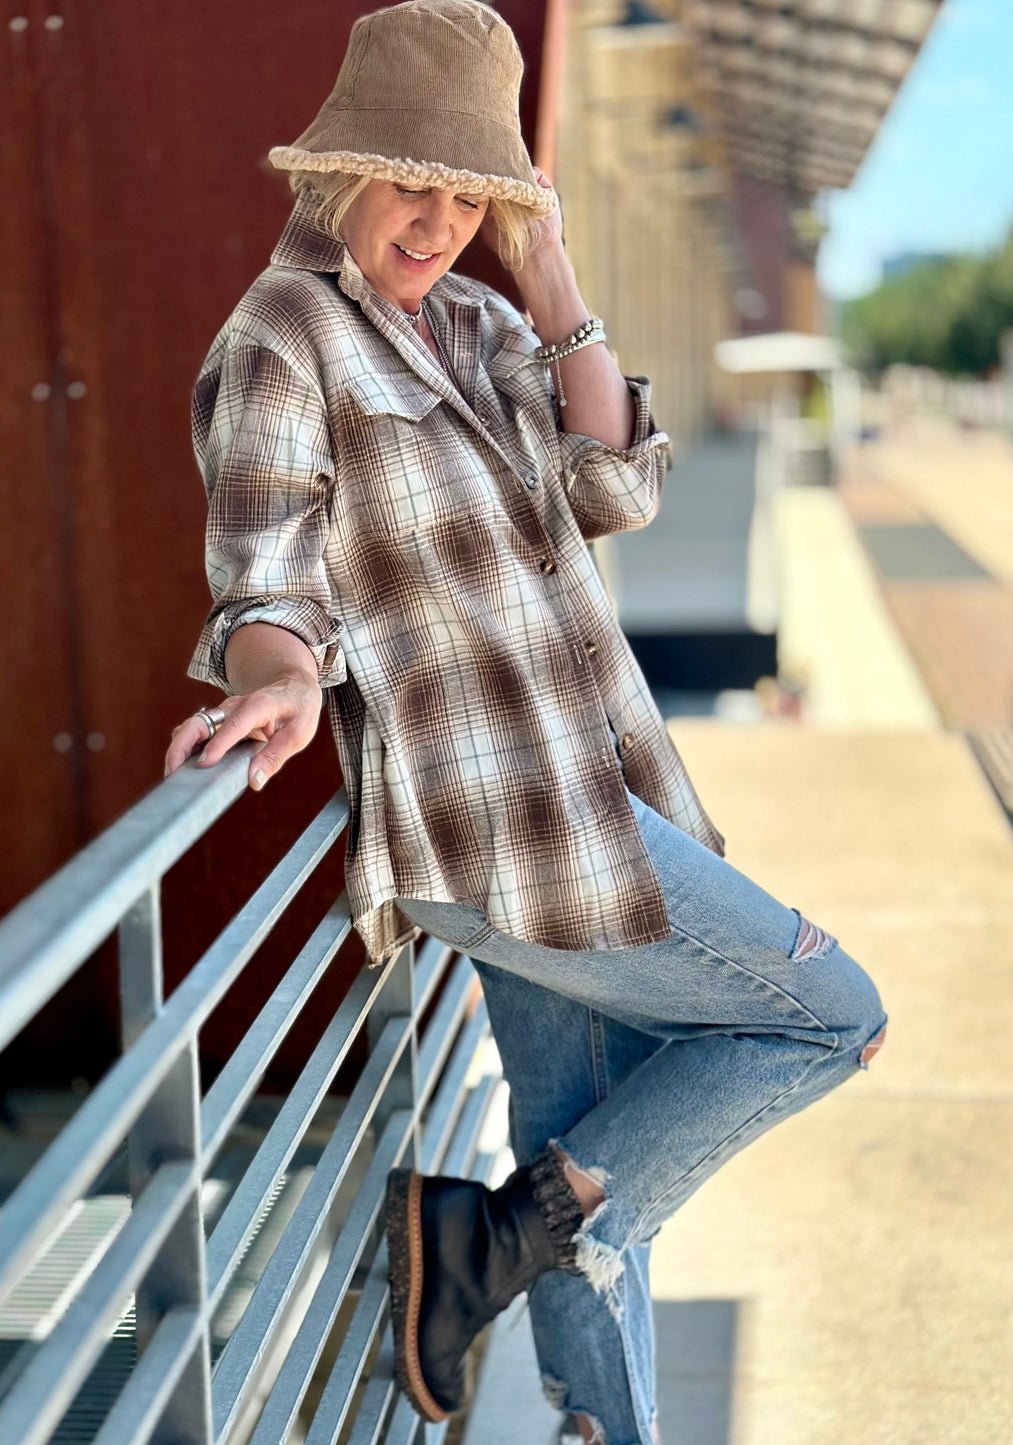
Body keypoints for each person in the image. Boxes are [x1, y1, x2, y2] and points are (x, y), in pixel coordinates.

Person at [163, 3, 889, 1442]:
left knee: (594, 1189)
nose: (432, 223)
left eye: (464, 193)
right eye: (407, 185)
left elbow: (615, 487)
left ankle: (560, 1350)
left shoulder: (487, 318)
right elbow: (268, 569)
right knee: (830, 1017)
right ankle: (490, 1232)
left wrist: (549, 267)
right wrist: (284, 675)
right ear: (339, 174)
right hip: (493, 825)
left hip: (596, 788)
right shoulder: (283, 335)